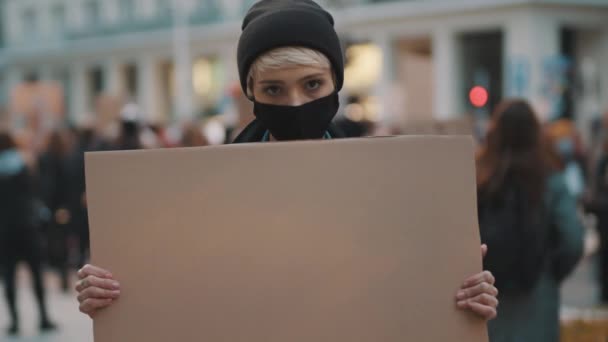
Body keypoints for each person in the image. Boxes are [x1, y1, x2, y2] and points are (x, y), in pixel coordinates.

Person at [75, 0, 498, 323]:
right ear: (251, 93)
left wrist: (462, 294)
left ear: (336, 83)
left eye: (312, 84)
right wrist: (113, 296)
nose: (296, 103)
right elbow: (177, 292)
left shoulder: (396, 191)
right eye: (274, 90)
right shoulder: (201, 199)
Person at [476, 100, 584, 341]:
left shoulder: (480, 178)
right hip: (538, 298)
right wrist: (551, 271)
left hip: (489, 297)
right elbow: (573, 240)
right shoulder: (550, 180)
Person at [0, 131, 57, 335]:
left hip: (4, 230)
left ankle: (14, 321)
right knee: (36, 273)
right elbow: (35, 191)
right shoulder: (23, 164)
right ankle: (43, 317)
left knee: (8, 276)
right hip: (27, 226)